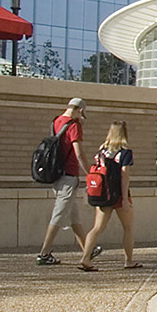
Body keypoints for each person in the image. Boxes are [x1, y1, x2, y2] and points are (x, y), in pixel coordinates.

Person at [36, 97, 96, 266]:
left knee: (73, 216)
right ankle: (44, 253)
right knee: (59, 214)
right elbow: (78, 153)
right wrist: (89, 173)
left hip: (57, 174)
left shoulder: (56, 122)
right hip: (69, 175)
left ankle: (87, 250)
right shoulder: (73, 126)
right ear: (80, 110)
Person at [79, 121, 140, 271]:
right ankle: (129, 260)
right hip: (119, 194)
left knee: (97, 227)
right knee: (128, 227)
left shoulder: (102, 151)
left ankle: (85, 257)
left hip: (103, 193)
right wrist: (125, 199)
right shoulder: (125, 152)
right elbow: (124, 176)